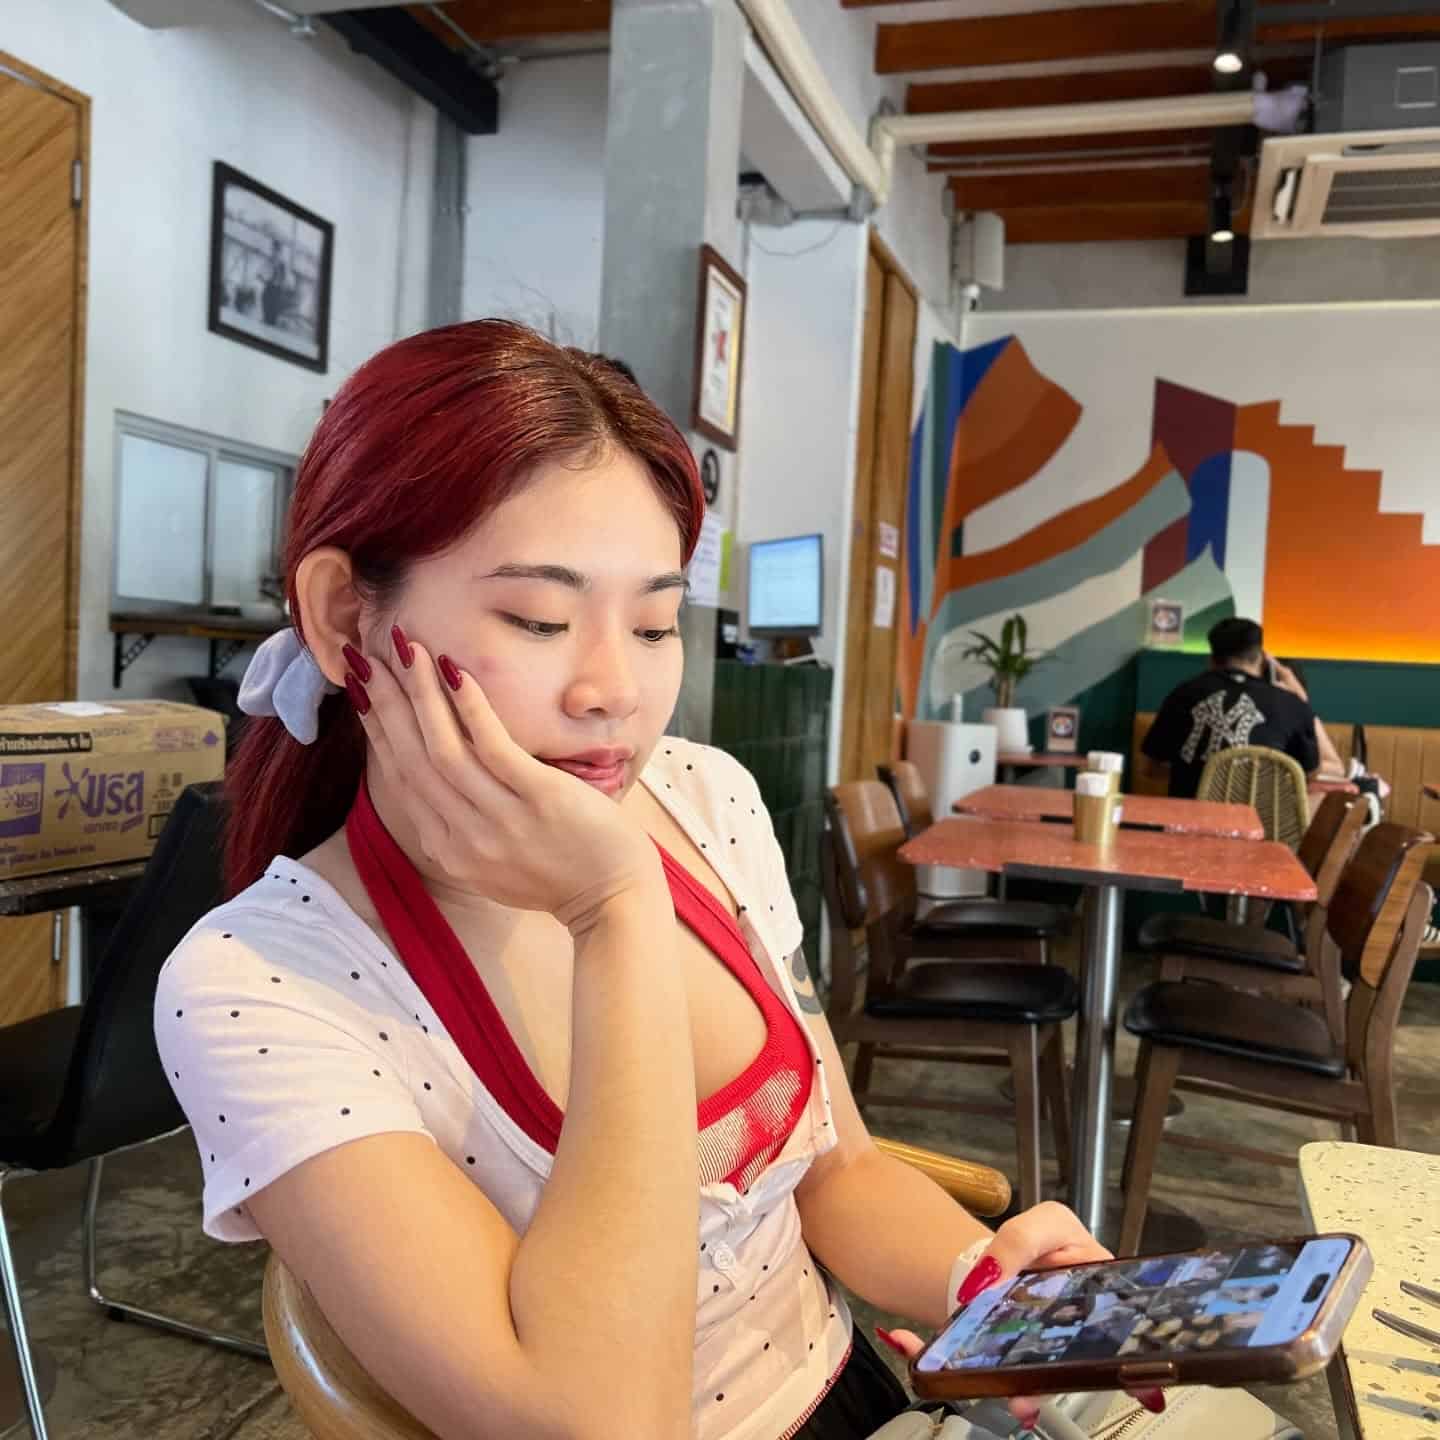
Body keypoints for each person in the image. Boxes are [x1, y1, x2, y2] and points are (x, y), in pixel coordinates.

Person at [153, 321, 1144, 1440]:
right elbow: (597, 1423)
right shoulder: (257, 986)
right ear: (345, 615)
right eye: (539, 619)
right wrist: (614, 910)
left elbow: (840, 1173)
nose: (615, 691)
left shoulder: (706, 798)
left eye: (656, 623)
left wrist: (991, 1291)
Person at [1141, 617, 1319, 799]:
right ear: (1262, 659)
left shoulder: (1183, 694)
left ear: (1211, 660)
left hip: (1191, 814)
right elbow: (1308, 775)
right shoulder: (1292, 704)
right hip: (1259, 816)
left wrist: (1200, 772)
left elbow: (1151, 768)